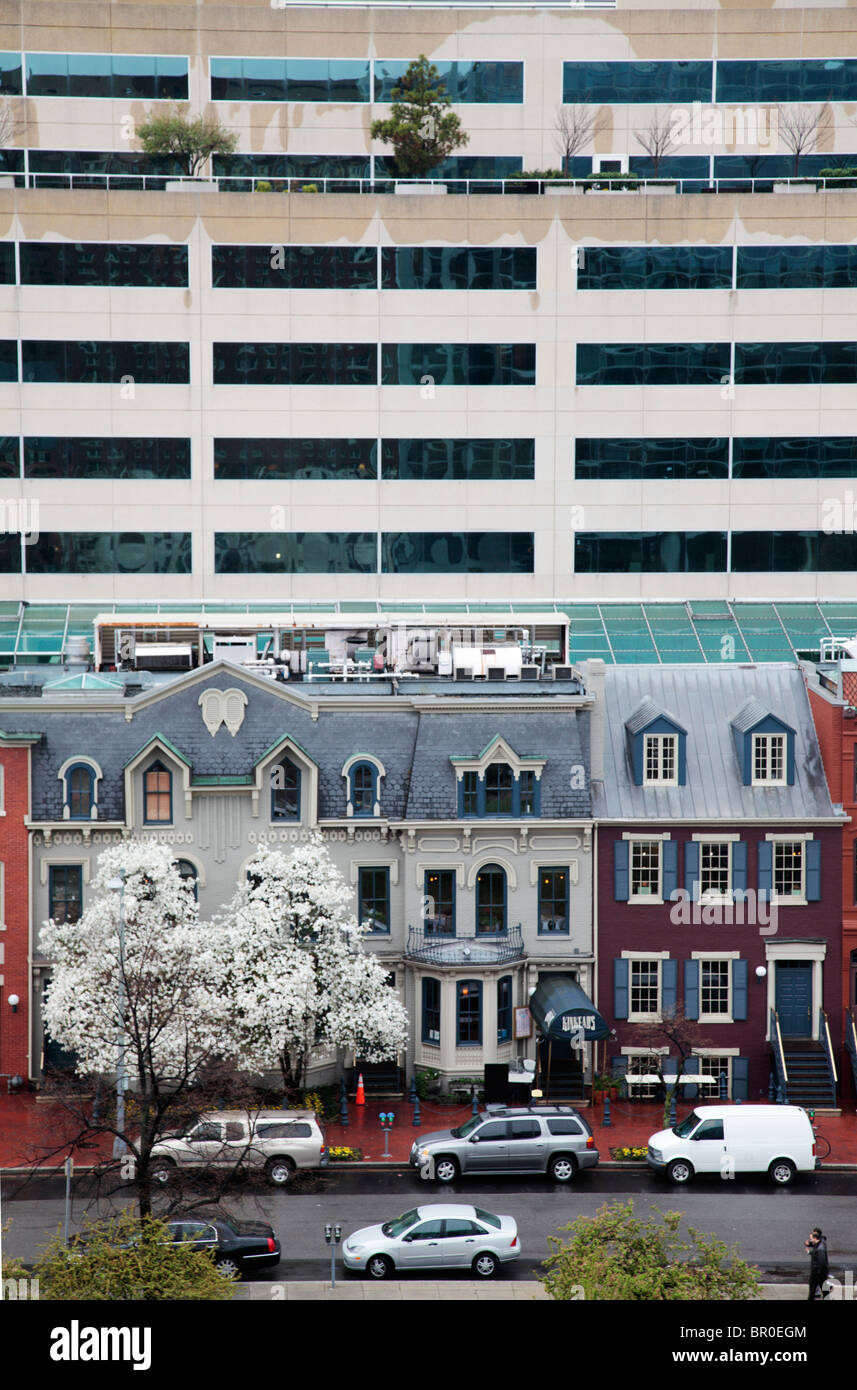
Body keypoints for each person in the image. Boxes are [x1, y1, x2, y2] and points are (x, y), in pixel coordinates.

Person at [805, 1228, 830, 1300]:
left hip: (818, 1273)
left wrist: (817, 1272)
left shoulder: (820, 1249)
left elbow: (821, 1262)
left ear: (815, 1238)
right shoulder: (820, 1243)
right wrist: (809, 1245)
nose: (810, 1240)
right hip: (821, 1272)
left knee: (812, 1288)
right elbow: (815, 1250)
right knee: (823, 1288)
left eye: (811, 1239)